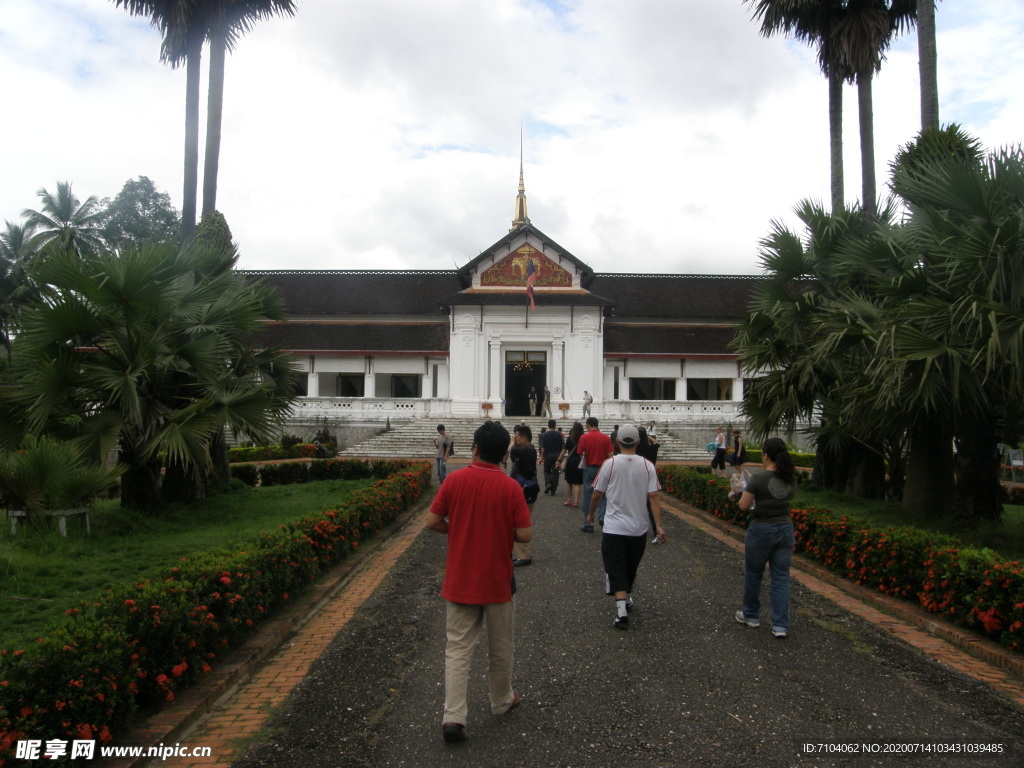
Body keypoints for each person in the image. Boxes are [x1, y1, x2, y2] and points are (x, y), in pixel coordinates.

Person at [426, 421, 533, 743]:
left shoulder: (456, 480)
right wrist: (503, 534)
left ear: (474, 448)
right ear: (504, 455)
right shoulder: (510, 487)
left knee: (457, 649)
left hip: (460, 578)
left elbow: (432, 521)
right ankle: (501, 700)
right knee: (500, 648)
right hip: (497, 580)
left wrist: (456, 529)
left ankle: (453, 716)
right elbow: (525, 534)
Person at [586, 424, 666, 630]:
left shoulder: (610, 464)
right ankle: (623, 604)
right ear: (639, 441)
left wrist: (591, 514)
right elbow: (654, 496)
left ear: (617, 442)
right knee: (630, 566)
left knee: (616, 565)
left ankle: (622, 608)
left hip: (614, 526)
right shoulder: (648, 465)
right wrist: (658, 525)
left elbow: (597, 493)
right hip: (638, 527)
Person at [730, 437, 797, 640]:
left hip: (761, 528)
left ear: (766, 455)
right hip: (785, 528)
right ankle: (780, 624)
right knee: (781, 578)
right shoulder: (791, 478)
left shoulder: (759, 478)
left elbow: (743, 505)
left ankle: (751, 615)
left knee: (754, 574)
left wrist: (735, 492)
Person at [576, 417, 614, 532]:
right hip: (602, 468)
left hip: (589, 468)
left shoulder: (584, 437)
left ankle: (589, 522)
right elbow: (610, 454)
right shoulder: (605, 438)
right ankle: (602, 517)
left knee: (588, 495)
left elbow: (579, 452)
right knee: (603, 494)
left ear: (588, 426)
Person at [509, 425, 539, 567]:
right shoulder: (526, 450)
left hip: (526, 490)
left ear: (524, 438)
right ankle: (522, 554)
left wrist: (511, 443)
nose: (515, 439)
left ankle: (524, 556)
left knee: (521, 521)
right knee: (518, 520)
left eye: (517, 436)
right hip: (524, 489)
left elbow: (512, 450)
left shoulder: (529, 450)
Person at [557, 421, 585, 508]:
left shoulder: (570, 438)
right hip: (579, 460)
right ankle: (576, 501)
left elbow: (564, 450)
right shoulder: (583, 438)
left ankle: (569, 500)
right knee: (577, 482)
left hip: (570, 460)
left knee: (569, 481)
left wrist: (559, 460)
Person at [539, 418, 565, 496]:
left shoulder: (545, 435)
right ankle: (553, 489)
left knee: (546, 470)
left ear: (548, 425)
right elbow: (563, 446)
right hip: (557, 454)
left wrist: (541, 456)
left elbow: (543, 447)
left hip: (548, 455)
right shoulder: (559, 434)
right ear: (555, 425)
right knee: (555, 471)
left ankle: (548, 483)